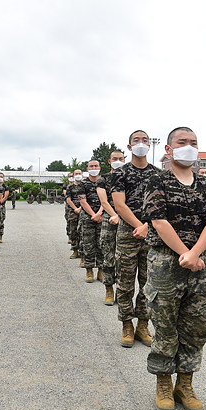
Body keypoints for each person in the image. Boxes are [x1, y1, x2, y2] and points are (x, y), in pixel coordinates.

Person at [144, 127, 206, 410]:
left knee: (196, 326)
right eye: (182, 142)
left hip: (199, 265)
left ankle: (185, 384)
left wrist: (195, 253)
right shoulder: (157, 180)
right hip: (165, 261)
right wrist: (183, 253)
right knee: (165, 324)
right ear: (168, 149)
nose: (189, 147)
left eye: (194, 143)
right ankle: (164, 383)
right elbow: (158, 220)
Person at [112, 130, 158, 347]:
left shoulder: (158, 174)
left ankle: (143, 324)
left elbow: (161, 206)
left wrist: (148, 226)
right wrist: (139, 226)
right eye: (136, 141)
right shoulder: (120, 173)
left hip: (152, 234)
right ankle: (127, 324)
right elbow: (119, 205)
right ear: (129, 147)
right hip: (128, 234)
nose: (141, 144)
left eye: (145, 140)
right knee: (125, 282)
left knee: (149, 282)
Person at [96, 150, 125, 305]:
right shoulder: (103, 179)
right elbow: (104, 201)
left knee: (125, 259)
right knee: (108, 254)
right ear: (109, 161)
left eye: (121, 158)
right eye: (115, 159)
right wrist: (114, 215)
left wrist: (121, 216)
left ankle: (122, 292)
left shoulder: (129, 176)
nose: (118, 161)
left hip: (126, 219)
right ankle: (109, 288)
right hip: (109, 217)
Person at [78, 161, 104, 283]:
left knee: (102, 244)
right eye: (91, 166)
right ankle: (89, 270)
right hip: (88, 218)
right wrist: (93, 215)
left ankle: (101, 269)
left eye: (96, 166)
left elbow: (107, 200)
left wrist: (99, 213)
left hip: (102, 216)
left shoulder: (104, 182)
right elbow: (83, 201)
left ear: (100, 168)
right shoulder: (83, 183)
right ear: (87, 169)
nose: (94, 168)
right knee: (88, 244)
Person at [66, 171, 83, 261]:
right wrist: (75, 208)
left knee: (83, 232)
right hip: (73, 211)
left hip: (84, 210)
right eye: (76, 174)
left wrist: (80, 208)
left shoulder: (85, 185)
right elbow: (68, 199)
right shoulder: (70, 186)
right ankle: (75, 250)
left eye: (79, 173)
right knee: (73, 231)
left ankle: (83, 252)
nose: (78, 175)